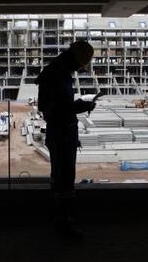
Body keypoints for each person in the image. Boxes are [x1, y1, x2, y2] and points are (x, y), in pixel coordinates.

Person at [35, 40, 95, 238]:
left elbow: (59, 106)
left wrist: (74, 108)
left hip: (63, 133)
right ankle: (64, 223)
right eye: (80, 65)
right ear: (74, 60)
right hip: (61, 134)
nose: (79, 69)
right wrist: (80, 107)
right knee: (64, 178)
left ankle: (59, 218)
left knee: (61, 177)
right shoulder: (57, 75)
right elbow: (53, 109)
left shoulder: (58, 72)